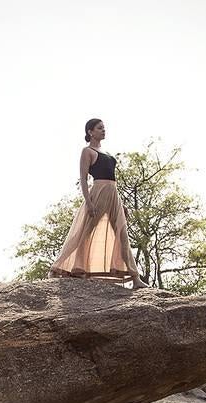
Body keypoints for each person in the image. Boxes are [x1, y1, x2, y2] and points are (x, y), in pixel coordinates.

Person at [49, 118, 150, 287]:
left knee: (122, 234)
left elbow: (113, 180)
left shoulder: (108, 153)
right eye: (99, 128)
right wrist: (88, 202)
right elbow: (83, 178)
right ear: (90, 132)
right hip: (98, 193)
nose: (104, 130)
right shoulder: (87, 151)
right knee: (83, 233)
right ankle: (58, 269)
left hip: (113, 194)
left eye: (104, 128)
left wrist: (121, 203)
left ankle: (135, 277)